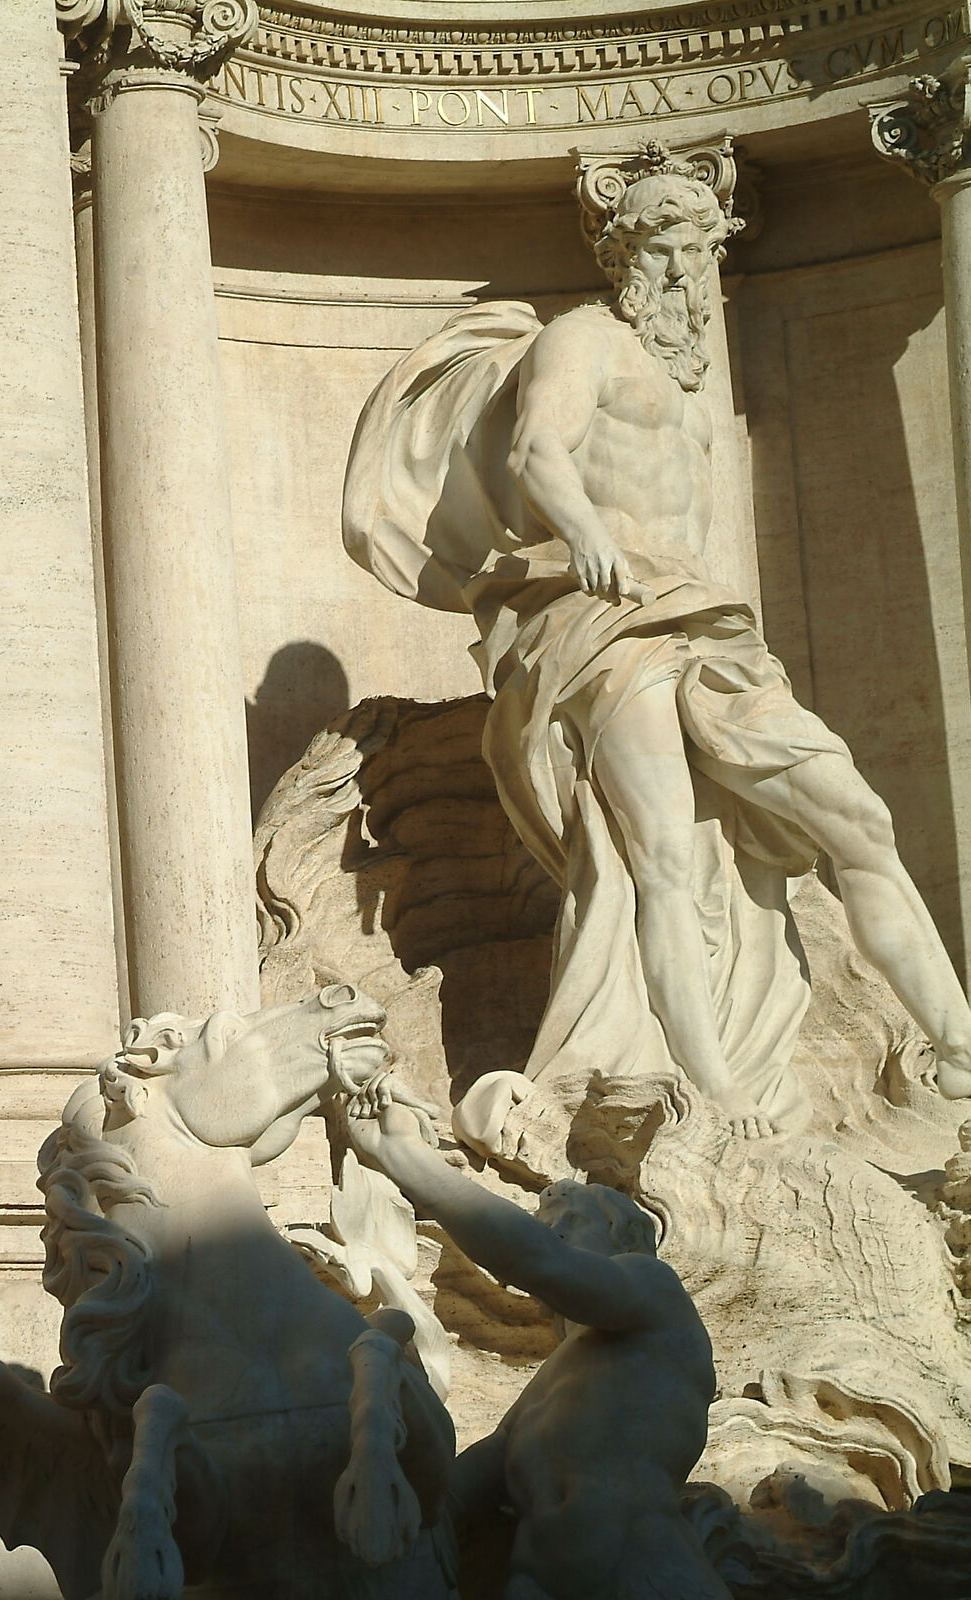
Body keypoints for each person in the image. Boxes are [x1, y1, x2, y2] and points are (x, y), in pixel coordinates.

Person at [344, 147, 971, 1139]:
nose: (681, 268)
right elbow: (535, 448)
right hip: (602, 625)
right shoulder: (584, 340)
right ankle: (708, 1092)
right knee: (663, 858)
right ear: (624, 256)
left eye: (696, 246)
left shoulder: (691, 377)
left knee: (858, 819)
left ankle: (958, 1043)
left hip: (707, 627)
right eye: (659, 245)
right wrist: (585, 530)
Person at [346, 1096, 727, 1600]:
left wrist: (408, 1161)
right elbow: (466, 1487)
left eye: (573, 1220)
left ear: (623, 1237)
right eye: (548, 1225)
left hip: (639, 1574)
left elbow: (534, 1258)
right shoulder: (561, 1373)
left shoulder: (654, 1290)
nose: (555, 1233)